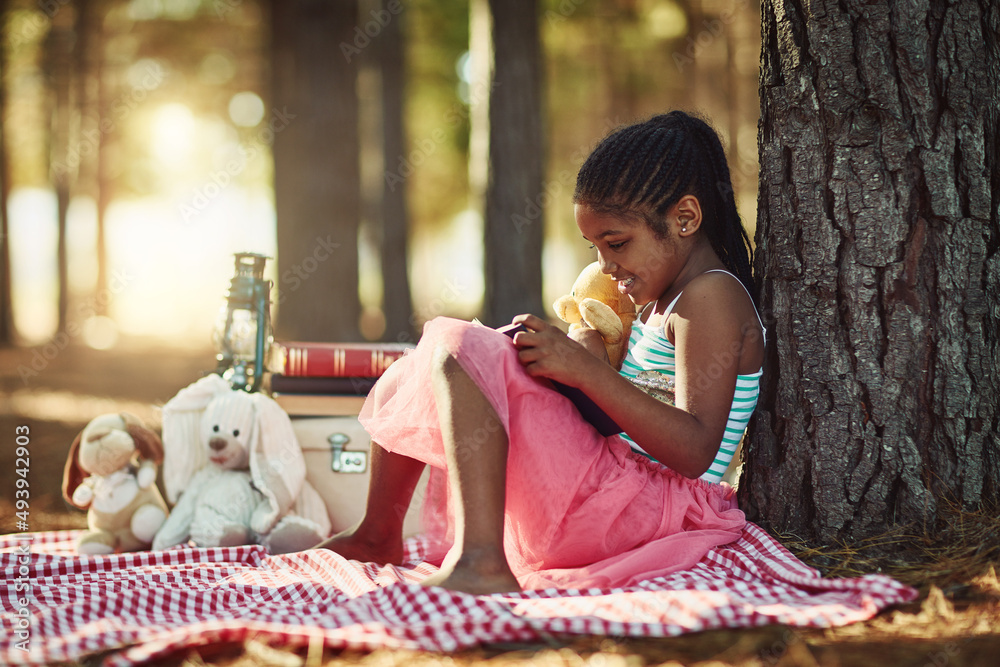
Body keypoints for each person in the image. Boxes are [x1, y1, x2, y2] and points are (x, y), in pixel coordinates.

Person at [317, 111, 765, 595]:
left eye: (616, 243)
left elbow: (696, 450)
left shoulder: (711, 298)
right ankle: (377, 534)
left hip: (646, 509)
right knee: (432, 359)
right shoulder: (659, 300)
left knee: (461, 346)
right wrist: (579, 362)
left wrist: (586, 374)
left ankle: (482, 559)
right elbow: (629, 406)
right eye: (595, 248)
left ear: (685, 218)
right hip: (613, 486)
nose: (606, 266)